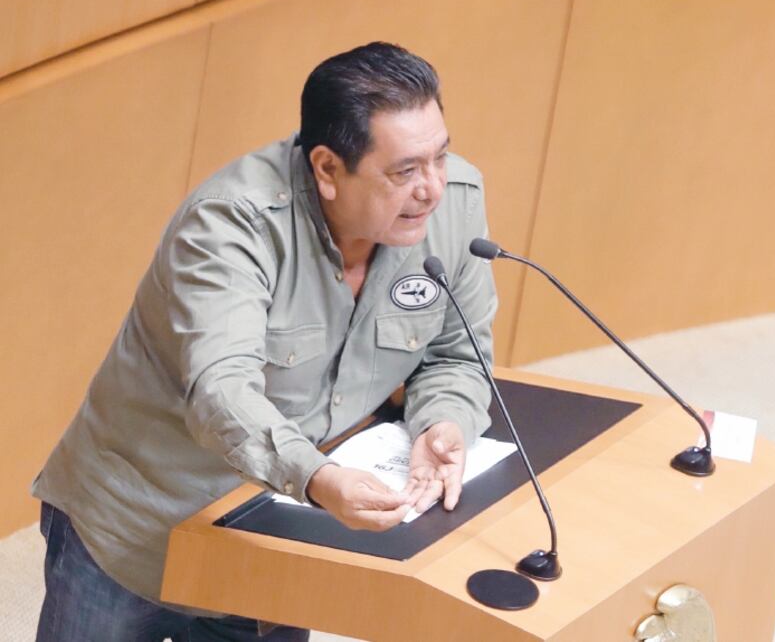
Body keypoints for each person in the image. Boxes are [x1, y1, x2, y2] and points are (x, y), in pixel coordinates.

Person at [31, 41, 496, 641]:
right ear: (328, 168)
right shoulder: (229, 224)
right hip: (140, 523)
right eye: (405, 170)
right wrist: (319, 477)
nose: (433, 187)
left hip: (282, 533)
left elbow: (457, 354)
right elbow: (221, 392)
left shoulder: (453, 205)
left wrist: (444, 421)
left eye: (440, 156)